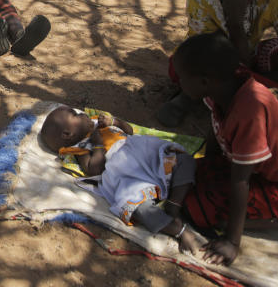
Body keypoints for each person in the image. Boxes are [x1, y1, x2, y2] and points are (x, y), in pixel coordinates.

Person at [174, 32, 278, 263]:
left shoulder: (250, 110)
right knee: (186, 174)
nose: (179, 83)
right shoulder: (223, 87)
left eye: (182, 78)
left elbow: (240, 181)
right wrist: (209, 167)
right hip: (263, 174)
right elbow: (215, 126)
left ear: (204, 82)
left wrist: (232, 242)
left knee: (198, 211)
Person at [41, 106, 198, 253]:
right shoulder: (80, 147)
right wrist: (98, 146)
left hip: (143, 153)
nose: (81, 113)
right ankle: (178, 230)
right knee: (135, 206)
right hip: (126, 171)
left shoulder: (98, 122)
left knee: (184, 160)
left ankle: (174, 204)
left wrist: (115, 122)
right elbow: (94, 169)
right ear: (67, 134)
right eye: (75, 114)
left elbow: (129, 131)